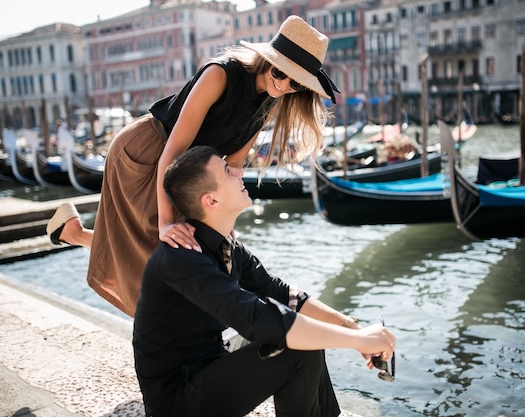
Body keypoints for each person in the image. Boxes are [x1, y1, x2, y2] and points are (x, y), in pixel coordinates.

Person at [45, 15, 340, 317]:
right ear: (266, 59)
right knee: (163, 244)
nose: (285, 86)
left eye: (297, 83)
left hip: (189, 169)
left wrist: (225, 224)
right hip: (147, 151)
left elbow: (235, 165)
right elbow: (172, 150)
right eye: (281, 72)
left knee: (189, 248)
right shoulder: (220, 74)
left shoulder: (271, 100)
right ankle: (165, 343)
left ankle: (75, 233)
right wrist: (165, 222)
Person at [133, 145, 397, 417]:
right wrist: (357, 340)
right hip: (177, 401)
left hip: (210, 362)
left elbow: (283, 294)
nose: (239, 170)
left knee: (306, 334)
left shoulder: (228, 248)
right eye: (227, 171)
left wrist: (353, 327)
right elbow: (259, 319)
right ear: (211, 201)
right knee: (295, 345)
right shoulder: (182, 257)